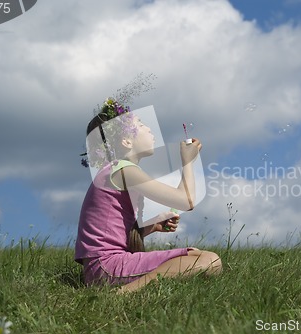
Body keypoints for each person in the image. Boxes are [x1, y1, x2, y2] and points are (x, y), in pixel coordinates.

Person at [75, 98, 222, 294]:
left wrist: (151, 227)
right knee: (210, 260)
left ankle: (128, 289)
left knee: (195, 255)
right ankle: (123, 294)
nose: (150, 130)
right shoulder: (123, 170)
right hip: (106, 267)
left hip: (99, 268)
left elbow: (110, 234)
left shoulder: (114, 171)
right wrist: (188, 161)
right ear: (126, 141)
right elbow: (186, 201)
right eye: (141, 125)